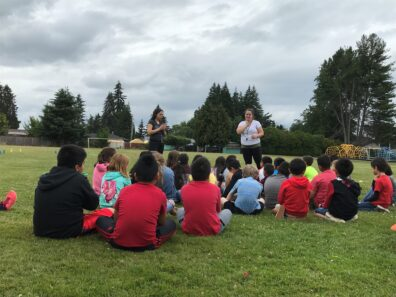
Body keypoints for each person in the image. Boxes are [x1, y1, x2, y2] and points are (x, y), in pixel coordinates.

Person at [96, 154, 176, 251]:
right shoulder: (160, 195)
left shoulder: (125, 191)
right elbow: (162, 222)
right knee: (171, 224)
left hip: (118, 241)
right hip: (148, 243)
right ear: (157, 176)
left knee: (101, 220)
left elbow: (116, 219)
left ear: (135, 175)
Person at [33, 144, 113, 238]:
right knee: (109, 211)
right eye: (83, 163)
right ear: (77, 167)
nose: (83, 166)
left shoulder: (44, 178)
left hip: (40, 229)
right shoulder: (79, 179)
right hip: (68, 230)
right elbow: (92, 205)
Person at [177, 157, 232, 235]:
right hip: (211, 229)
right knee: (227, 211)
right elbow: (218, 211)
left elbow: (186, 209)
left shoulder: (184, 189)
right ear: (208, 173)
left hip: (189, 228)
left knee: (180, 210)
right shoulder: (215, 189)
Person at [314, 158, 360, 222]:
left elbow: (328, 199)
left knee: (317, 211)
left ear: (335, 170)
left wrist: (322, 206)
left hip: (337, 212)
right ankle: (349, 217)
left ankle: (335, 219)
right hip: (352, 213)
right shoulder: (355, 184)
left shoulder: (333, 183)